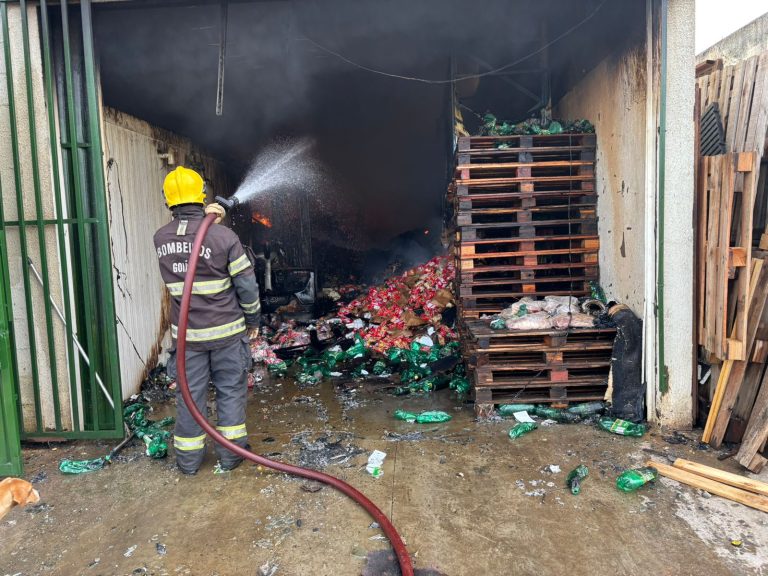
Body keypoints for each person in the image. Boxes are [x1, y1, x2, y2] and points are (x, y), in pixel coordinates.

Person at [154, 166, 260, 475]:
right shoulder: (224, 236)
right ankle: (231, 456)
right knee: (230, 390)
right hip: (227, 334)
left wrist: (205, 221)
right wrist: (253, 318)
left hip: (188, 339)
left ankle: (188, 461)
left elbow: (187, 247)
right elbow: (246, 286)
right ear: (202, 196)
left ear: (168, 201)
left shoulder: (160, 238)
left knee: (189, 396)